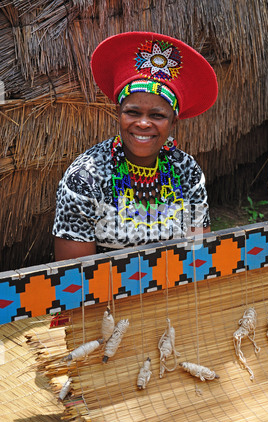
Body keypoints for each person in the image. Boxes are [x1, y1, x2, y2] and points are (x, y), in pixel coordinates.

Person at [53, 32, 218, 261]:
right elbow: (74, 276)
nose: (142, 123)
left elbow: (199, 254)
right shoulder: (85, 178)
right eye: (132, 112)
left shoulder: (186, 171)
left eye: (157, 115)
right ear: (118, 114)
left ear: (173, 121)